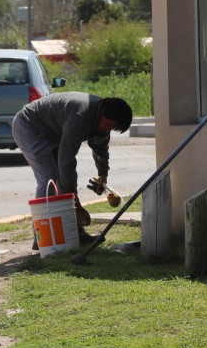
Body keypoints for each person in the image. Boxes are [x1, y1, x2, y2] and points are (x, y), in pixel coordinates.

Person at [11, 92, 133, 246]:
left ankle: (75, 233)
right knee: (50, 177)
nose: (106, 129)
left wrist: (103, 174)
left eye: (112, 128)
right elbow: (66, 159)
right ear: (101, 111)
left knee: (61, 179)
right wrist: (72, 195)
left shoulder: (102, 122)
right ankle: (42, 236)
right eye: (107, 125)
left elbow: (101, 147)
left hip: (52, 132)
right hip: (29, 126)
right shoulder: (80, 115)